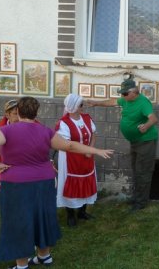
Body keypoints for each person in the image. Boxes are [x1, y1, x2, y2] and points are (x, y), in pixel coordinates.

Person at [0, 96, 113, 269]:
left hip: (16, 184)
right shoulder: (45, 131)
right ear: (37, 112)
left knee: (18, 221)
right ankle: (44, 256)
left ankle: (22, 265)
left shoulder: (6, 131)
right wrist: (96, 150)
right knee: (43, 217)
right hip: (44, 182)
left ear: (17, 112)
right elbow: (70, 146)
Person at [88, 78, 158, 211]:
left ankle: (140, 203)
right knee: (137, 170)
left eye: (125, 94)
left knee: (143, 172)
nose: (123, 96)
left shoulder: (143, 102)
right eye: (122, 93)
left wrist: (146, 126)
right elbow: (112, 102)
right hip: (135, 141)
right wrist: (96, 103)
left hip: (146, 141)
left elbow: (153, 118)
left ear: (134, 92)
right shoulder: (126, 100)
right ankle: (136, 197)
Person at [55, 94, 98, 227]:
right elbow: (66, 144)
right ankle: (70, 214)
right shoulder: (64, 123)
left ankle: (82, 212)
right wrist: (85, 151)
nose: (82, 107)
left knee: (86, 181)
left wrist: (90, 149)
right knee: (71, 184)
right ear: (73, 106)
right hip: (70, 159)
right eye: (80, 105)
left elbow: (94, 134)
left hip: (87, 157)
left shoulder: (86, 118)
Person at [0, 99, 20, 203]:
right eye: (15, 114)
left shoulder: (28, 123)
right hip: (5, 168)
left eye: (21, 114)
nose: (19, 118)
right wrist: (5, 144)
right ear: (7, 115)